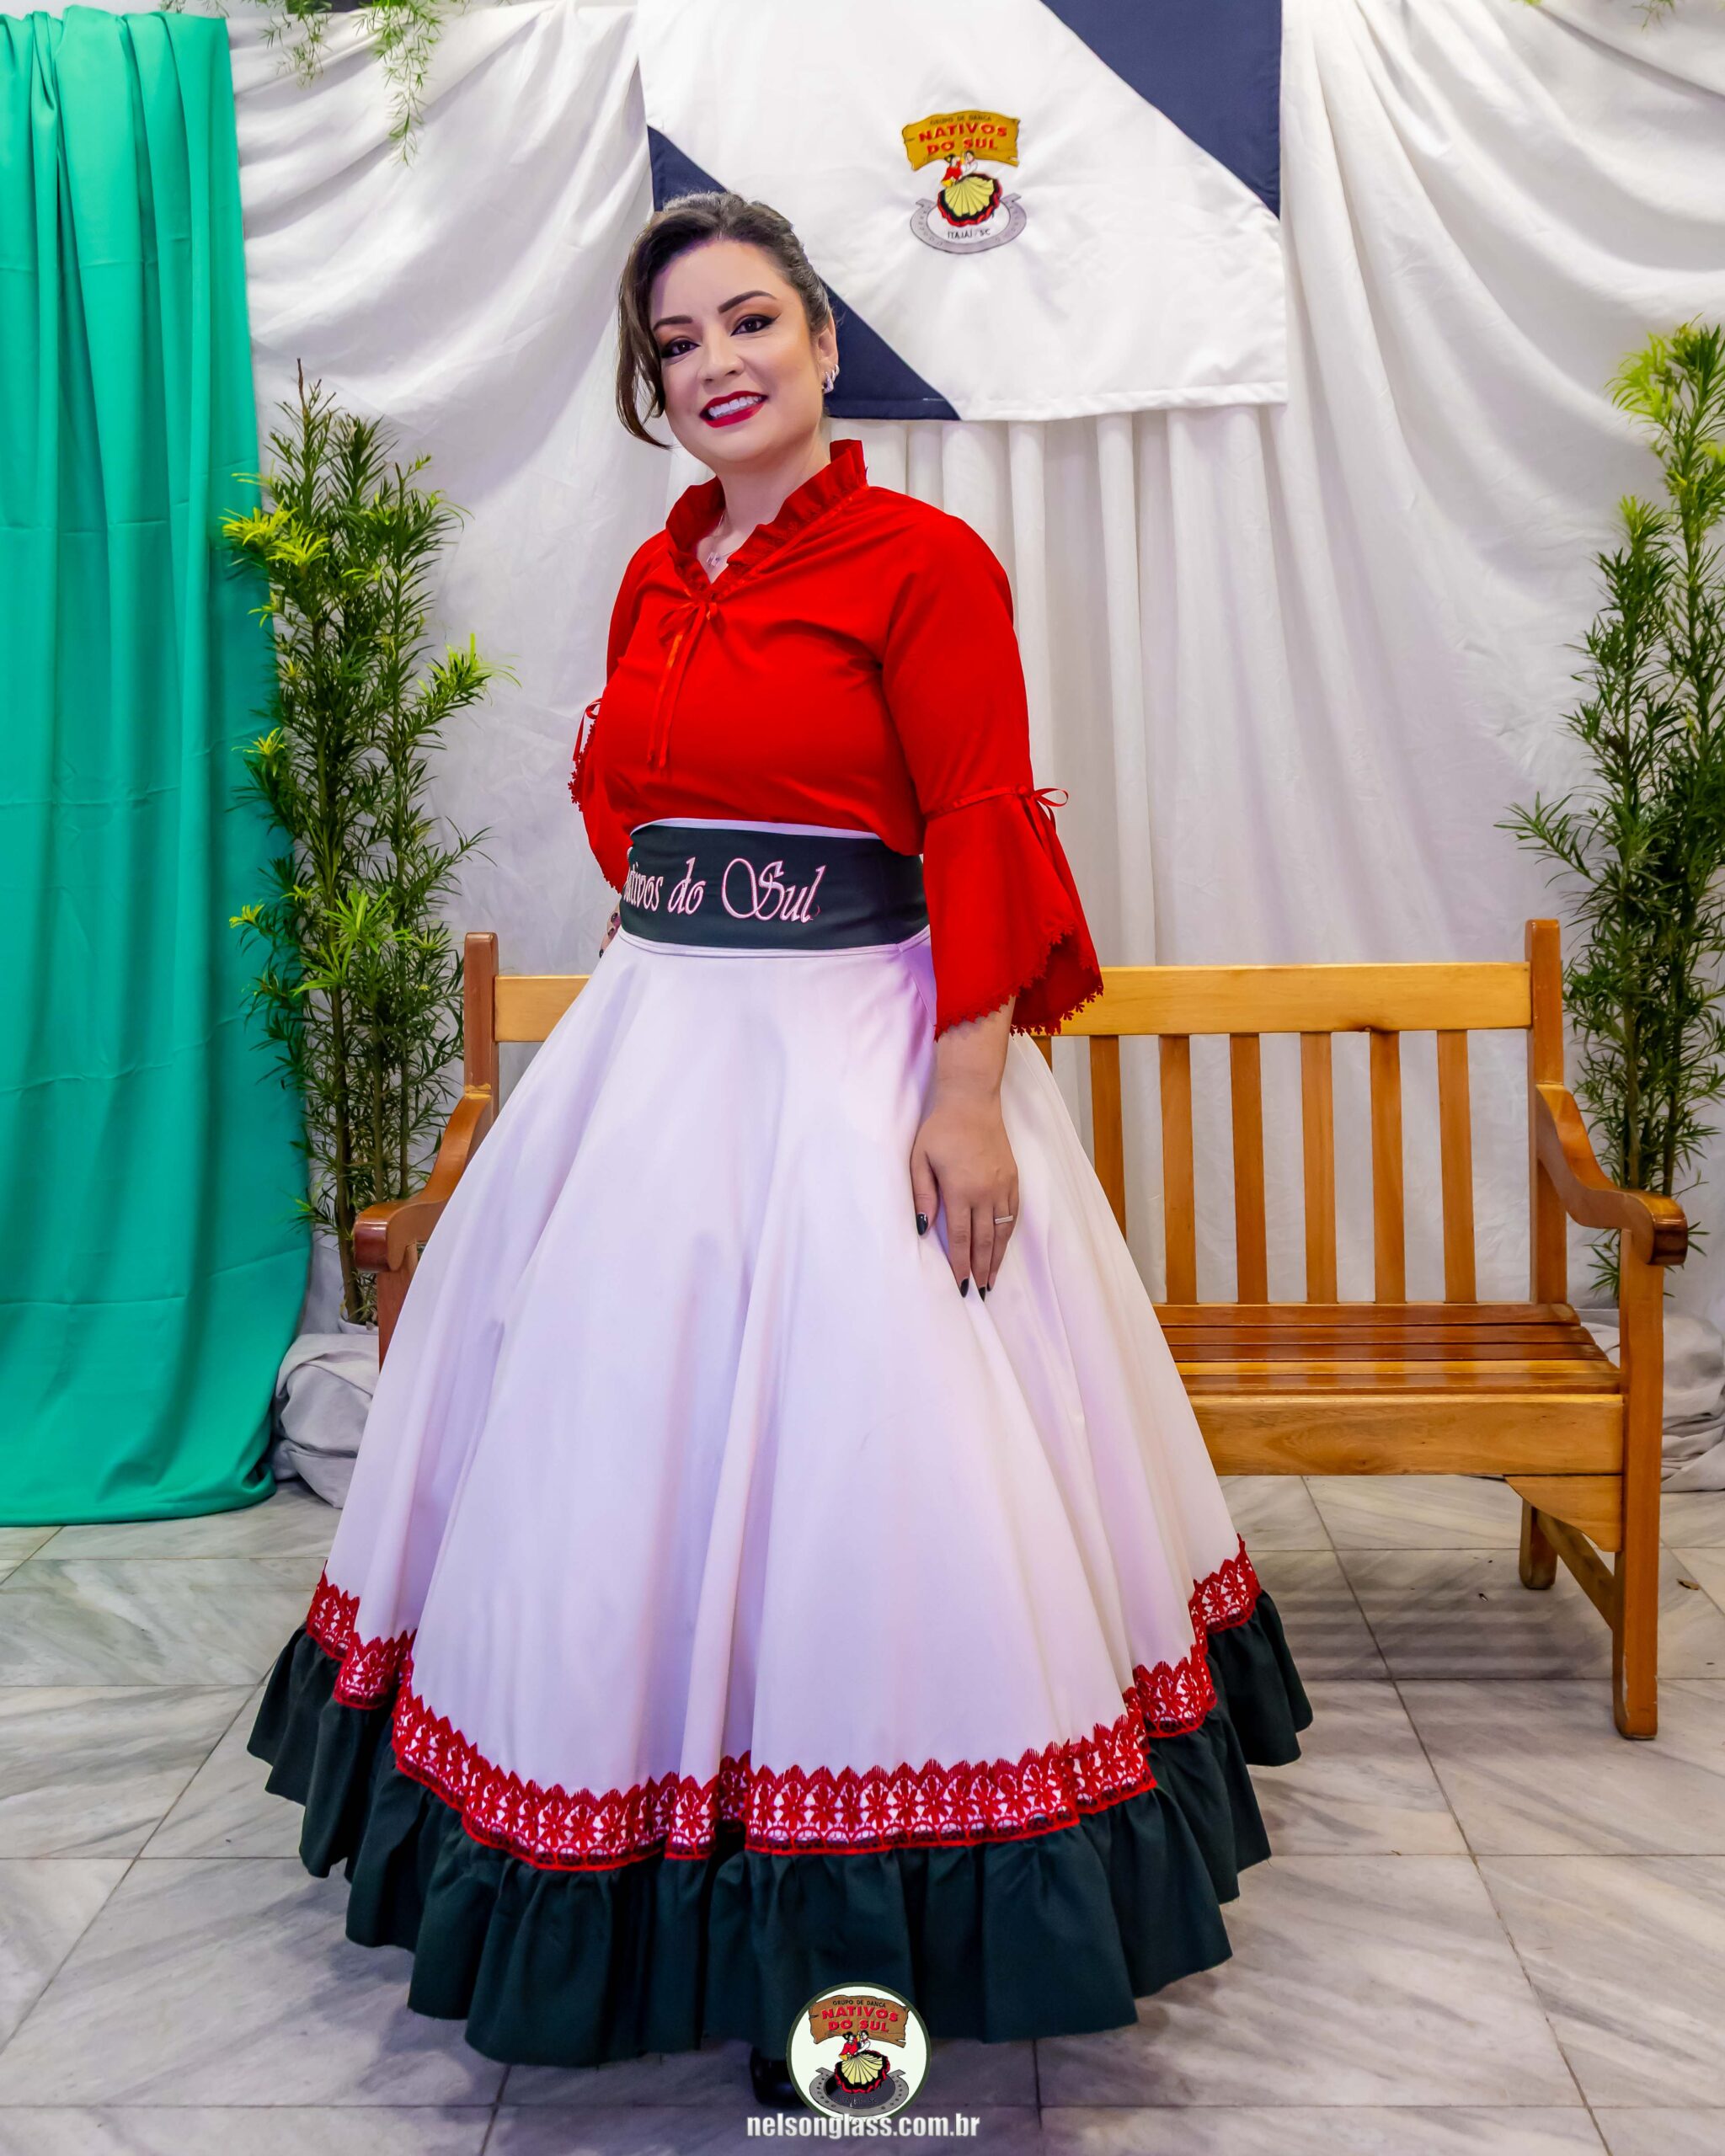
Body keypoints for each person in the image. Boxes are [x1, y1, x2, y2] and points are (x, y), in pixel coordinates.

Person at [247, 190, 1311, 2107]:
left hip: (860, 1057)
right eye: (677, 343)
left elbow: (977, 820)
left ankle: (867, 1944)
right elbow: (635, 823)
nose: (716, 363)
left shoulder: (925, 564)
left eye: (750, 321)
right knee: (605, 1455)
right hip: (663, 1052)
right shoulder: (658, 575)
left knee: (876, 1467)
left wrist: (962, 1093)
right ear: (653, 388)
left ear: (824, 342)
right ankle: (625, 1841)